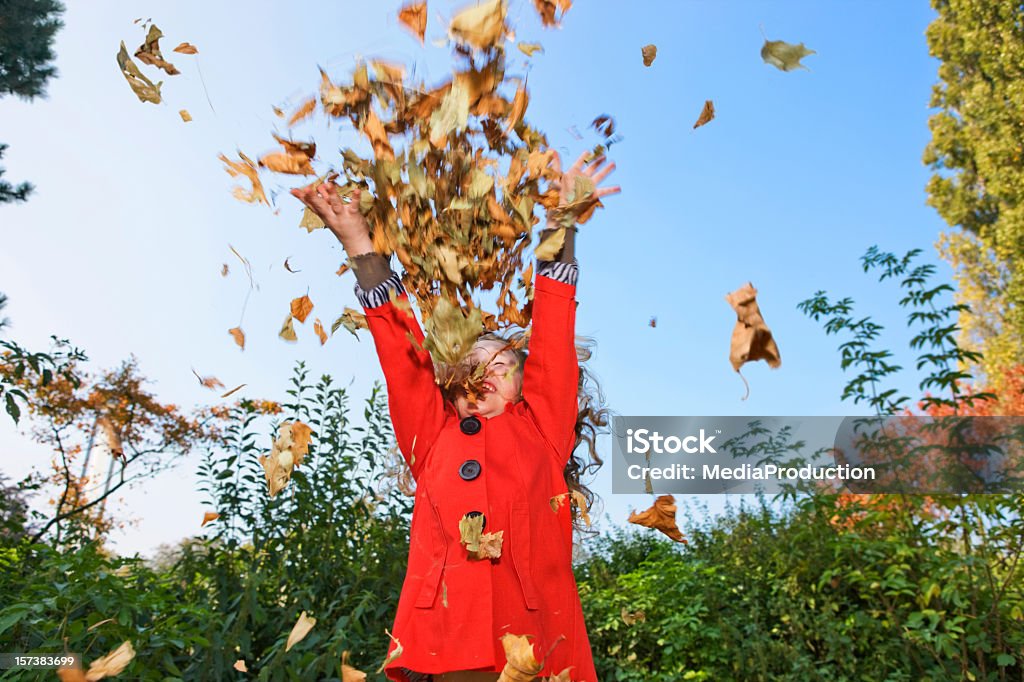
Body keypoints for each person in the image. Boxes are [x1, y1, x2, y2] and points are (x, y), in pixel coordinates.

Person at [292, 151, 618, 682]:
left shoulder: (543, 431)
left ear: (525, 383)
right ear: (445, 385)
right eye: (468, 365)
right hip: (446, 645)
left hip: (535, 643)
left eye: (501, 364)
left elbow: (554, 336)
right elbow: (401, 355)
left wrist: (561, 224)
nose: (483, 373)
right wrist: (359, 245)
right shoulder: (433, 434)